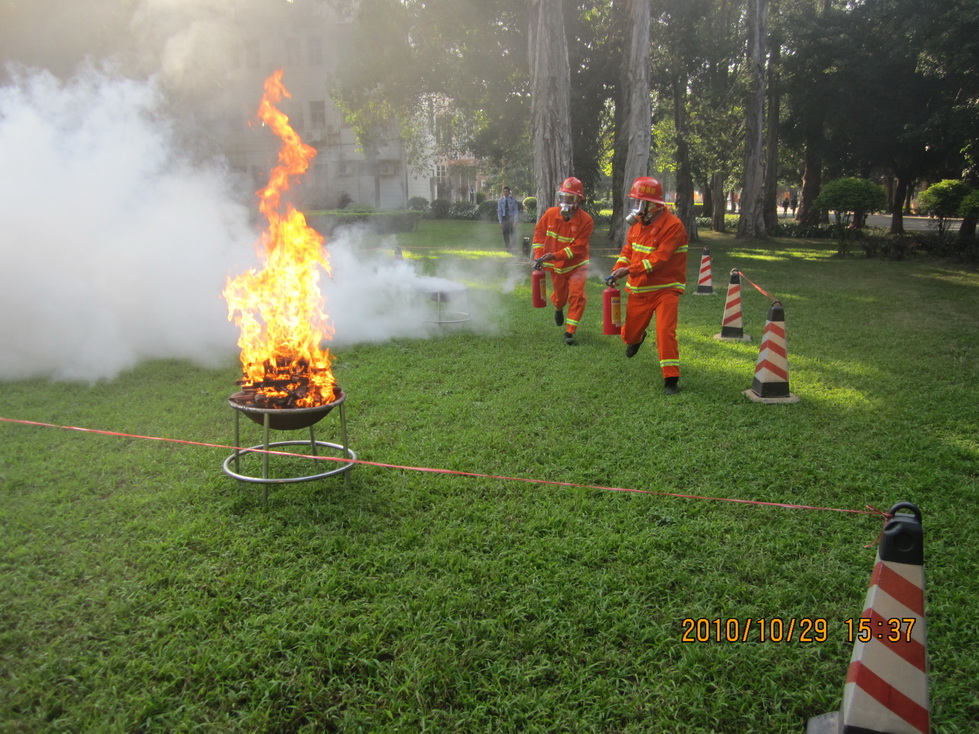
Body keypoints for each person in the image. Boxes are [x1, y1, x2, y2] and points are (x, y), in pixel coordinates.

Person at [608, 176, 689, 394]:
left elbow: (660, 258)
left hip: (666, 289)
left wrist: (630, 270)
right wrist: (618, 269)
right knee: (629, 335)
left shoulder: (674, 226)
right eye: (636, 202)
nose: (637, 207)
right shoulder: (636, 227)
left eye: (640, 202)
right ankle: (637, 338)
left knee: (665, 331)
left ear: (653, 205)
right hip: (639, 290)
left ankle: (671, 379)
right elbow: (627, 252)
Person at [532, 177, 593, 346]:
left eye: (570, 198)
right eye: (563, 197)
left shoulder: (586, 220)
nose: (565, 201)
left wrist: (555, 255)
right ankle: (558, 308)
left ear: (578, 201)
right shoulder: (551, 214)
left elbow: (578, 248)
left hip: (577, 267)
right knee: (560, 298)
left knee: (577, 296)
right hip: (556, 267)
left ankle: (570, 331)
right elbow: (539, 235)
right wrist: (539, 254)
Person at [497, 186, 519, 252]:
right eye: (504, 191)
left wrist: (515, 220)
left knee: (513, 232)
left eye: (506, 191)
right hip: (504, 218)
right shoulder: (500, 200)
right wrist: (500, 222)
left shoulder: (513, 200)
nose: (505, 193)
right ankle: (508, 247)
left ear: (509, 192)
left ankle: (513, 247)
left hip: (511, 217)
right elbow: (500, 211)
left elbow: (516, 211)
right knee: (505, 233)